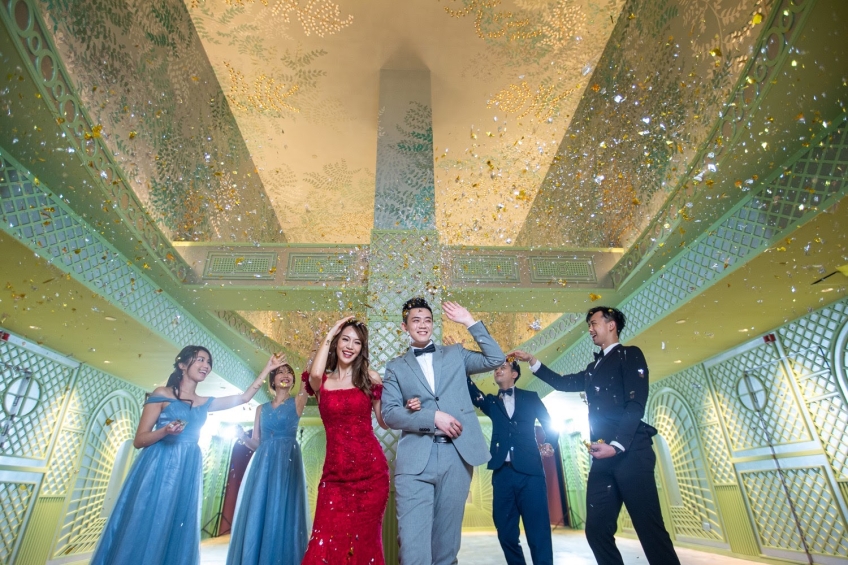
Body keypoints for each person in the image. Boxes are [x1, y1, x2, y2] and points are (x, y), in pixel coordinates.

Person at [511, 306, 681, 565]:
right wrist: (532, 361)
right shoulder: (593, 368)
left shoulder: (630, 354)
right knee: (597, 531)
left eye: (594, 323)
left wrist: (617, 445)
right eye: (589, 325)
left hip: (632, 453)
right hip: (603, 460)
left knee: (650, 530)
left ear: (611, 325)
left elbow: (635, 404)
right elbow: (563, 382)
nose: (590, 329)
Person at [90, 346, 282, 565]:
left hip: (188, 468)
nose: (206, 365)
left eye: (208, 362)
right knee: (149, 519)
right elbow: (139, 440)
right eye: (200, 359)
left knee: (176, 522)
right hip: (158, 467)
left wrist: (267, 369)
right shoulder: (162, 394)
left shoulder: (205, 402)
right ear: (182, 365)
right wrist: (165, 431)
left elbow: (244, 398)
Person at [382, 298, 505, 565]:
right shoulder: (395, 366)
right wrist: (432, 417)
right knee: (413, 552)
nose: (422, 325)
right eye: (416, 320)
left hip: (457, 456)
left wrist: (468, 320)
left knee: (446, 550)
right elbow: (389, 414)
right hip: (415, 461)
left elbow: (496, 358)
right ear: (404, 327)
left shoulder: (455, 354)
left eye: (427, 320)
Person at [301, 317, 390, 565]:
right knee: (323, 546)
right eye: (345, 339)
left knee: (364, 547)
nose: (350, 346)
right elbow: (315, 372)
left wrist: (409, 409)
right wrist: (332, 330)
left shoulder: (370, 378)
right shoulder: (321, 382)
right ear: (336, 342)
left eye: (357, 342)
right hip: (334, 478)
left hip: (371, 476)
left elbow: (383, 421)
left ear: (362, 348)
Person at [467, 359, 558, 565]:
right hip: (502, 474)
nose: (498, 370)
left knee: (538, 533)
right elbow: (473, 392)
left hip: (531, 474)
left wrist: (550, 443)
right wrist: (462, 369)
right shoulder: (491, 402)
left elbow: (549, 423)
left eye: (503, 367)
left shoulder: (531, 397)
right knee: (506, 533)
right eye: (496, 368)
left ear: (514, 374)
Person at [226, 362, 309, 565]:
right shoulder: (260, 409)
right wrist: (242, 437)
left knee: (282, 510)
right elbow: (256, 443)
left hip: (287, 464)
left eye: (289, 373)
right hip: (263, 466)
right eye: (280, 372)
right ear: (272, 380)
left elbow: (308, 378)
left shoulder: (298, 401)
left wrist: (314, 351)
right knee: (259, 509)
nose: (286, 375)